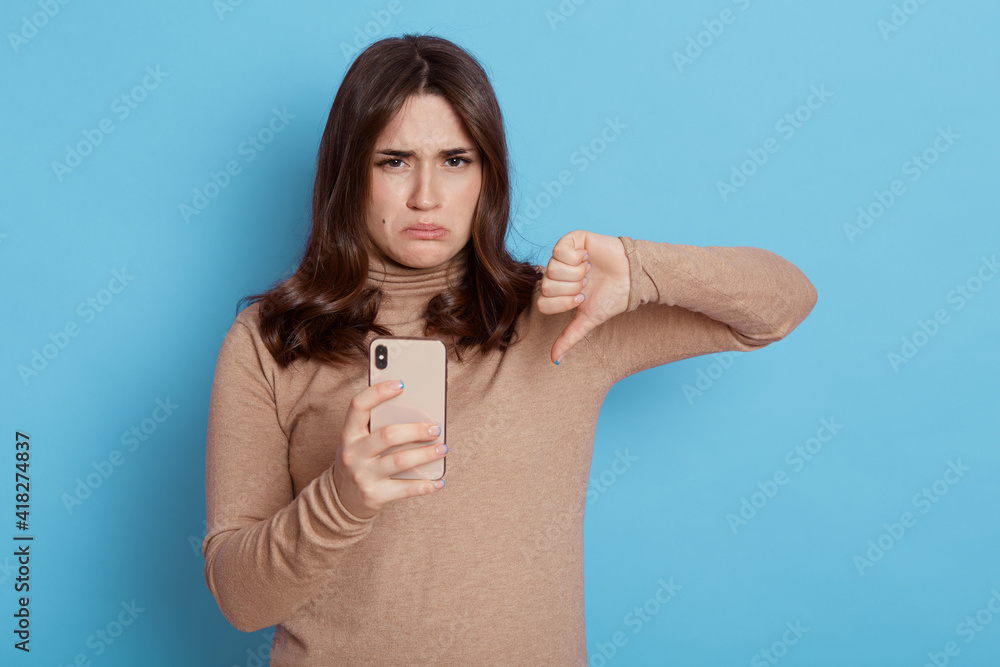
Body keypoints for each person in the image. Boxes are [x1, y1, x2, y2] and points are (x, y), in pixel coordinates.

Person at [201, 33, 818, 665]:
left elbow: (783, 303)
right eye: (393, 161)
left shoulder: (561, 315)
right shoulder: (269, 341)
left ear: (487, 174)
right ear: (348, 173)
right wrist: (342, 499)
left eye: (455, 160)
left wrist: (643, 267)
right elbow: (239, 599)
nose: (425, 196)